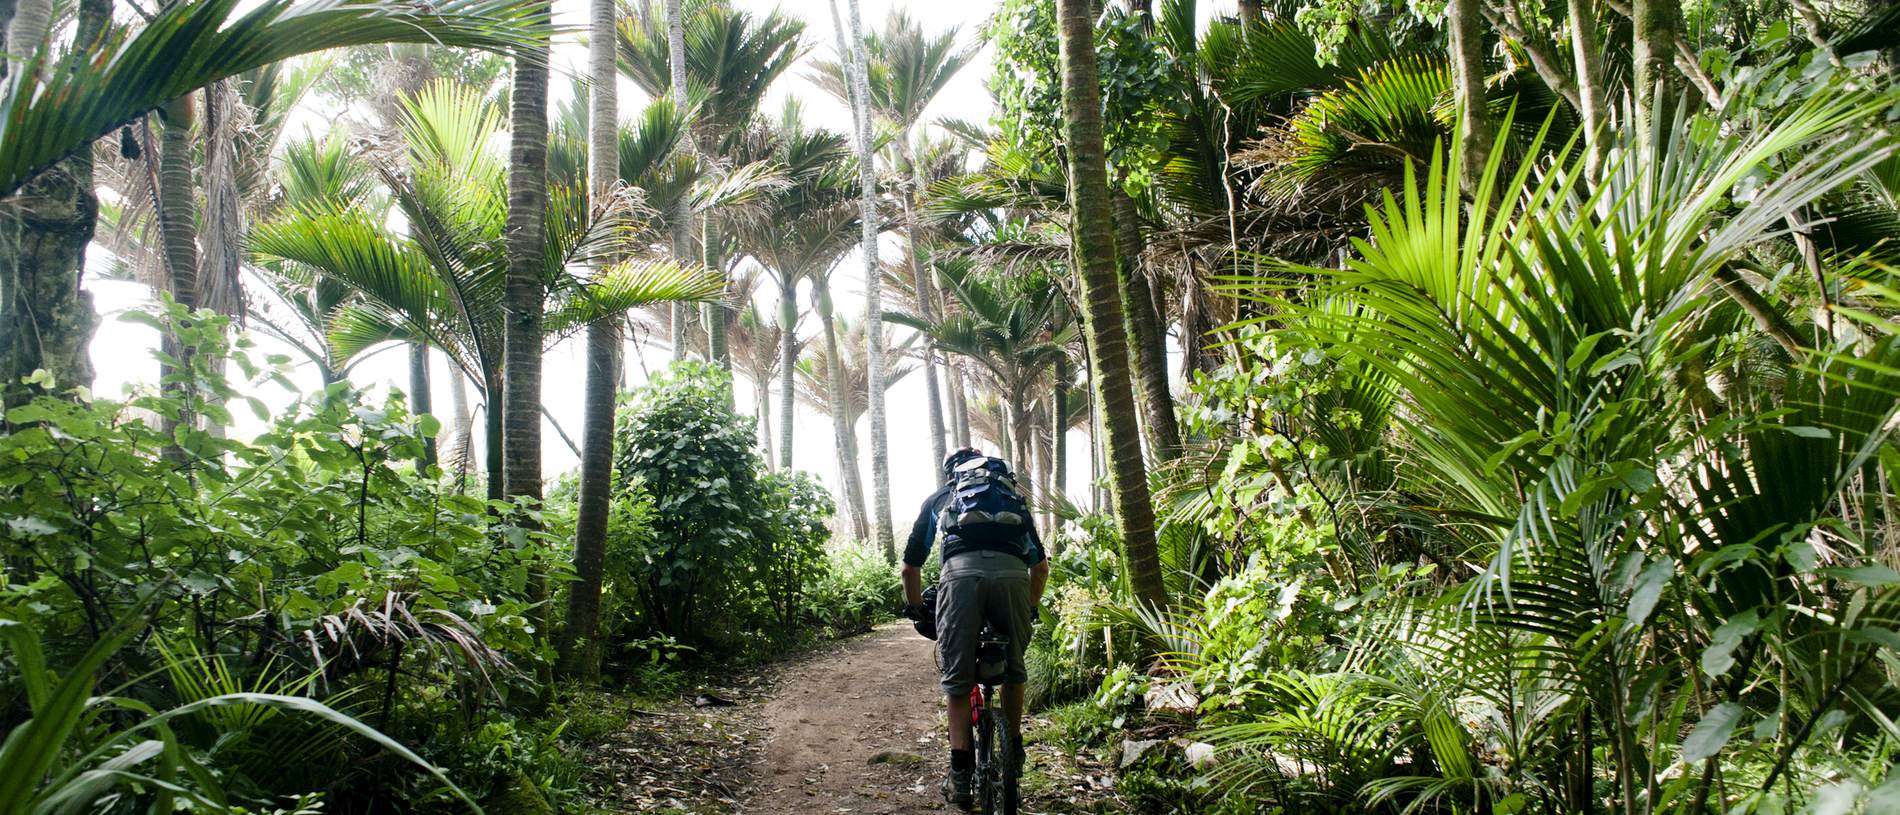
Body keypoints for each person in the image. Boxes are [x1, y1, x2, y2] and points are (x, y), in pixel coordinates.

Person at [901, 447, 1050, 811]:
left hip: (961, 577)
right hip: (1014, 577)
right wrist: (1028, 609)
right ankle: (1013, 750)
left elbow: (909, 568)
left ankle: (960, 774)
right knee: (1015, 669)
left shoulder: (941, 498)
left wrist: (917, 607)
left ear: (951, 473)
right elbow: (1040, 566)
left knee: (958, 679)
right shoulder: (1011, 499)